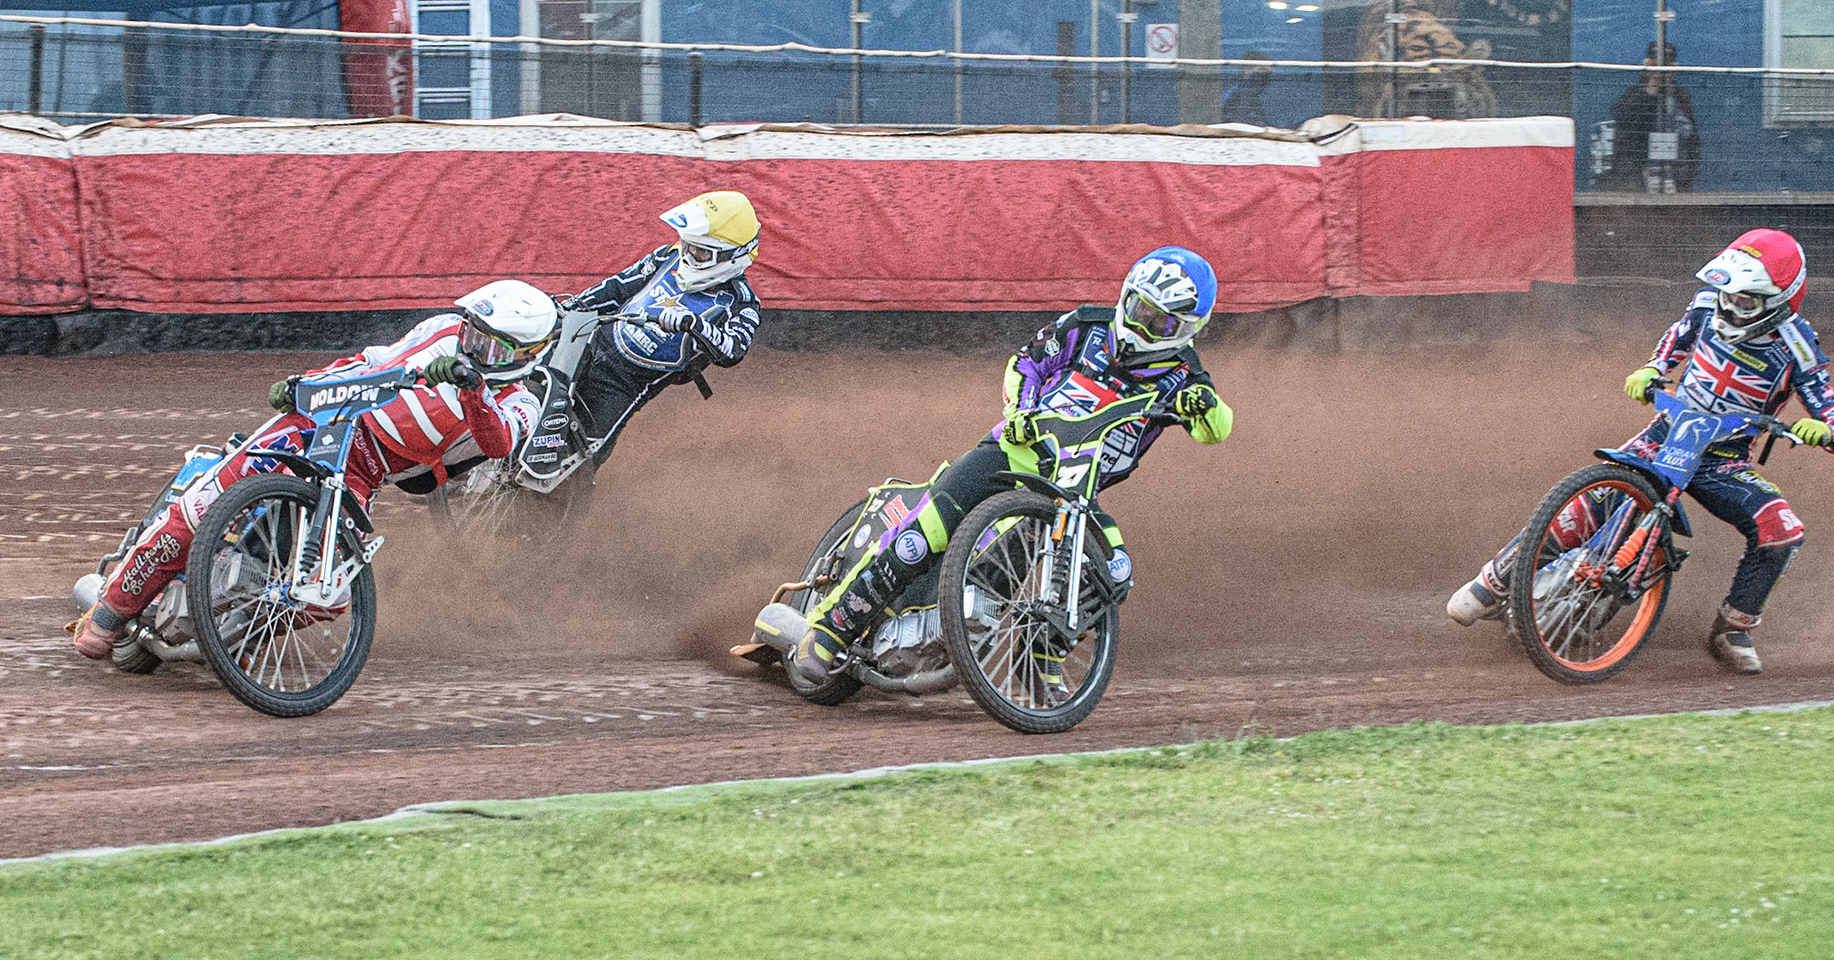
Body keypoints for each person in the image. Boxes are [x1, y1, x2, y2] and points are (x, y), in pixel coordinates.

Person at [783, 246, 1236, 691]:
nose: (1143, 325)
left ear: (1190, 329)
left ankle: (1040, 657)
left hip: (1074, 489)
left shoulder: (1185, 375)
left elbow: (1217, 428)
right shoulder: (1088, 324)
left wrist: (1202, 406)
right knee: (923, 535)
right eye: (1138, 308)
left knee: (1114, 570)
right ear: (1125, 295)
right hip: (1012, 451)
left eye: (1161, 321)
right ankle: (830, 630)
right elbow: (1026, 362)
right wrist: (1020, 410)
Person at [71, 281, 555, 659]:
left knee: (330, 596)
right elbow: (372, 362)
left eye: (490, 348)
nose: (472, 349)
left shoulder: (524, 400)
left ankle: (235, 638)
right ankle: (111, 609)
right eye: (472, 334)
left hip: (364, 472)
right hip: (324, 421)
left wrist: (473, 388)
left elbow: (498, 443)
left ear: (525, 356)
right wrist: (308, 384)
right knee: (205, 504)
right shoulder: (442, 331)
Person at [1447, 229, 1834, 675]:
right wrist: (1652, 367)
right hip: (1666, 433)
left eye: (1745, 301)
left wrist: (1822, 428)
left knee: (1783, 531)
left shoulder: (1799, 349)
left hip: (1724, 461)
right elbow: (1675, 341)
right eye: (1726, 294)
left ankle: (1733, 628)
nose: (1729, 306)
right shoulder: (1703, 306)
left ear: (1779, 301)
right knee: (1593, 499)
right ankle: (1495, 582)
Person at [557, 190, 763, 462]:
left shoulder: (742, 304)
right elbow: (618, 287)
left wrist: (694, 325)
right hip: (590, 340)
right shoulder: (668, 256)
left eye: (701, 252)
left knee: (584, 455)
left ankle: (556, 502)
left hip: (625, 383)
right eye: (689, 245)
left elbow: (733, 351)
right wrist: (568, 307)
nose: (689, 255)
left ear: (732, 257)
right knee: (533, 386)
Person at [1597, 41, 1701, 193]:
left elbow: (1692, 139)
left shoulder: (1681, 97)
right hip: (1636, 175)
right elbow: (1623, 119)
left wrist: (1687, 177)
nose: (1661, 71)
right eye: (1656, 65)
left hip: (1674, 175)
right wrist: (1651, 87)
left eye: (1667, 66)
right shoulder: (1634, 94)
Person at [1221, 51, 1274, 126]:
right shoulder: (1235, 94)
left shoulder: (1256, 96)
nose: (1266, 75)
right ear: (1247, 70)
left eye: (1269, 73)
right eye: (1262, 70)